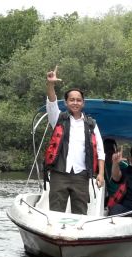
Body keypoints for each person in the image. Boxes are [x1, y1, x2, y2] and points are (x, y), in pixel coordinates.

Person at [44, 66, 105, 215]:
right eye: (72, 100)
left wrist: (101, 174)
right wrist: (51, 84)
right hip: (59, 173)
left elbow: (100, 151)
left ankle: (77, 237)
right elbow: (52, 103)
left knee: (80, 213)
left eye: (78, 100)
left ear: (83, 103)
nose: (75, 103)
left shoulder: (91, 124)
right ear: (66, 102)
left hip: (81, 175)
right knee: (56, 213)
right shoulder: (58, 119)